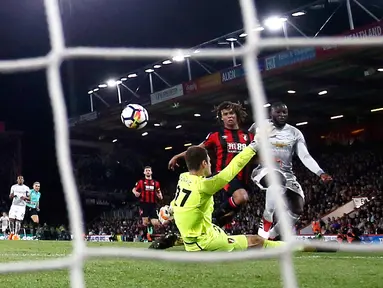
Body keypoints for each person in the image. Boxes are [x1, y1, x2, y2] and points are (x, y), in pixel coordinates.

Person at [249, 102, 332, 240]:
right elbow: (248, 139)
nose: (282, 115)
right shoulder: (261, 126)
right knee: (277, 180)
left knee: (297, 208)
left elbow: (305, 156)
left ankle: (271, 236)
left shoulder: (295, 133)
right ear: (271, 113)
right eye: (278, 112)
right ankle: (267, 216)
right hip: (264, 170)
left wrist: (320, 172)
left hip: (287, 174)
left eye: (284, 113)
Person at [169, 101, 254, 227]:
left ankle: (213, 225)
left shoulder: (249, 136)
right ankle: (212, 217)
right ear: (221, 117)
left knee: (230, 214)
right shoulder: (216, 136)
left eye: (231, 113)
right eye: (225, 114)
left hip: (245, 178)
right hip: (224, 176)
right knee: (241, 197)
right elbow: (197, 149)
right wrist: (177, 156)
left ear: (236, 115)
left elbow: (256, 156)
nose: (229, 116)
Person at [132, 166, 163, 241]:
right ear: (144, 172)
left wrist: (160, 195)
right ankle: (146, 236)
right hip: (144, 204)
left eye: (149, 170)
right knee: (145, 223)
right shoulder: (140, 182)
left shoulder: (156, 183)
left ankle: (150, 235)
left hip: (153, 204)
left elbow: (158, 191)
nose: (148, 172)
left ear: (151, 172)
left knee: (155, 223)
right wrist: (135, 192)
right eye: (146, 171)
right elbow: (134, 189)